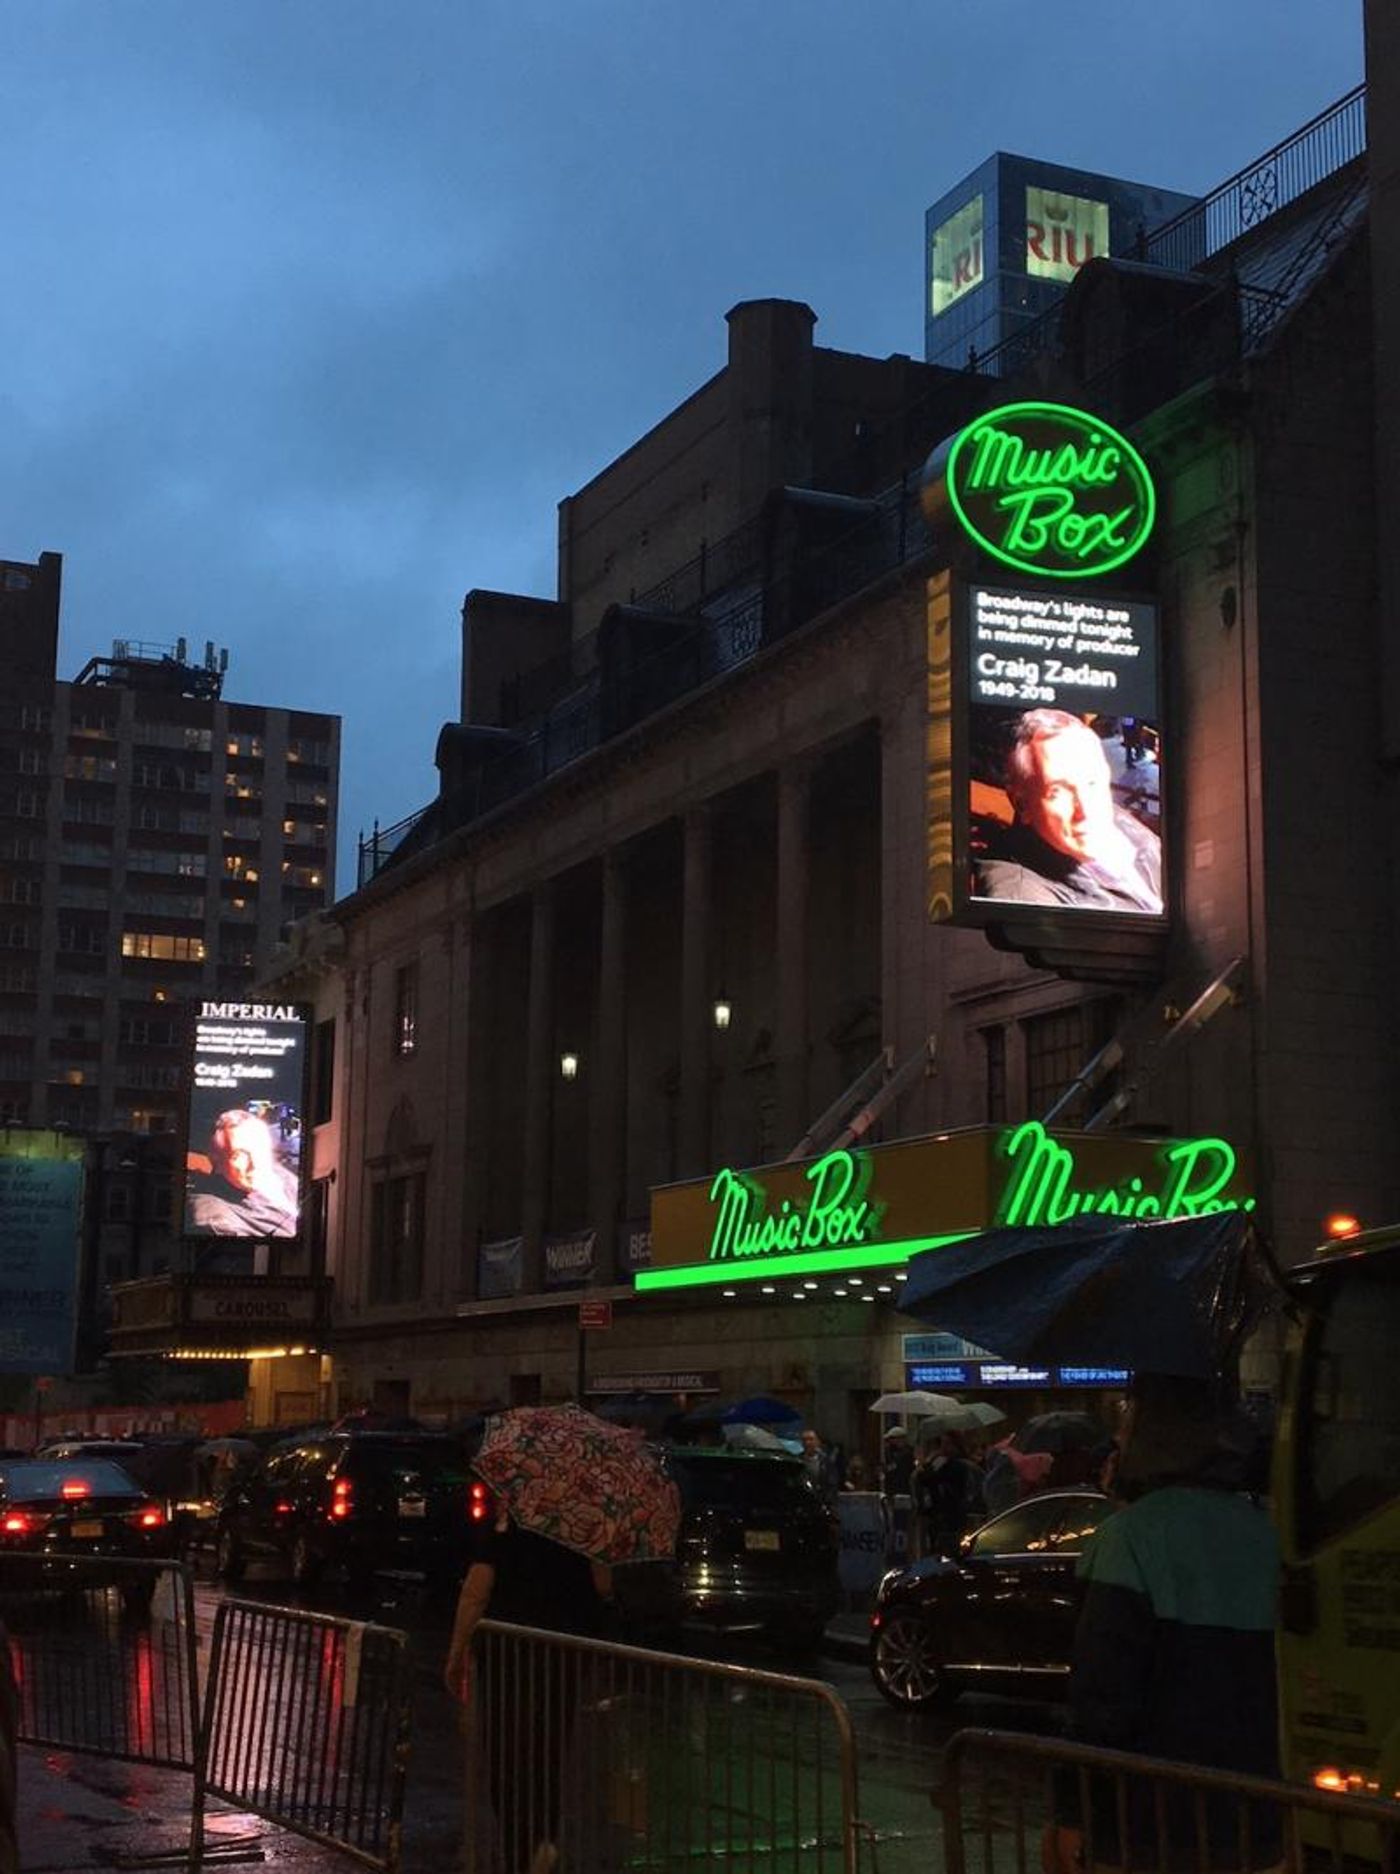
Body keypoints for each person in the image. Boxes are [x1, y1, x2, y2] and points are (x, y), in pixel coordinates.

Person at [1045, 1374, 1281, 1874]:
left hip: (1147, 1826)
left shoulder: (1127, 1539)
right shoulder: (1266, 1537)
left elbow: (1102, 1698)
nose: (1119, 1437)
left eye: (1128, 1420)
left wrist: (1074, 1811)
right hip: (1255, 1821)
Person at [445, 1506, 613, 1874]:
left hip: (509, 1655)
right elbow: (603, 1585)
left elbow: (478, 1585)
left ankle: (521, 1850)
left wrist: (458, 1649)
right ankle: (542, 1843)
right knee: (549, 1751)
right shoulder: (586, 1522)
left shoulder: (511, 1519)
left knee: (506, 1756)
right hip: (564, 1654)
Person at [975, 709, 1162, 914]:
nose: (1085, 809)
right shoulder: (1022, 897)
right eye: (1057, 792)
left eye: (1092, 782)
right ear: (1021, 805)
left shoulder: (1111, 820)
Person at [187, 1108, 299, 1237]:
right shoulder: (216, 1218)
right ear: (217, 1163)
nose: (255, 1164)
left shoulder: (283, 1173)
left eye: (259, 1148)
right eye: (239, 1155)